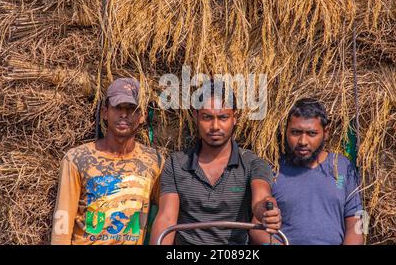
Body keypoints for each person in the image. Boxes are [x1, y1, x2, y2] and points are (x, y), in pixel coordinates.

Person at [150, 80, 281, 245]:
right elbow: (167, 218)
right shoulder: (176, 163)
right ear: (195, 116)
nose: (215, 126)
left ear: (235, 117)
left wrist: (266, 211)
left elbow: (261, 199)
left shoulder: (252, 163)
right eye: (207, 117)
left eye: (223, 117)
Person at [51, 78, 161, 245]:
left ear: (142, 116)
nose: (124, 114)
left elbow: (167, 212)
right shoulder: (77, 158)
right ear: (104, 112)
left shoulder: (154, 162)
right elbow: (62, 222)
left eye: (131, 108)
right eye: (117, 107)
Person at [250, 98, 364, 245]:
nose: (303, 141)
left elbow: (356, 224)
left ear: (326, 132)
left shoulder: (342, 167)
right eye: (296, 132)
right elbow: (255, 227)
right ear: (286, 131)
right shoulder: (273, 168)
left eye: (311, 133)